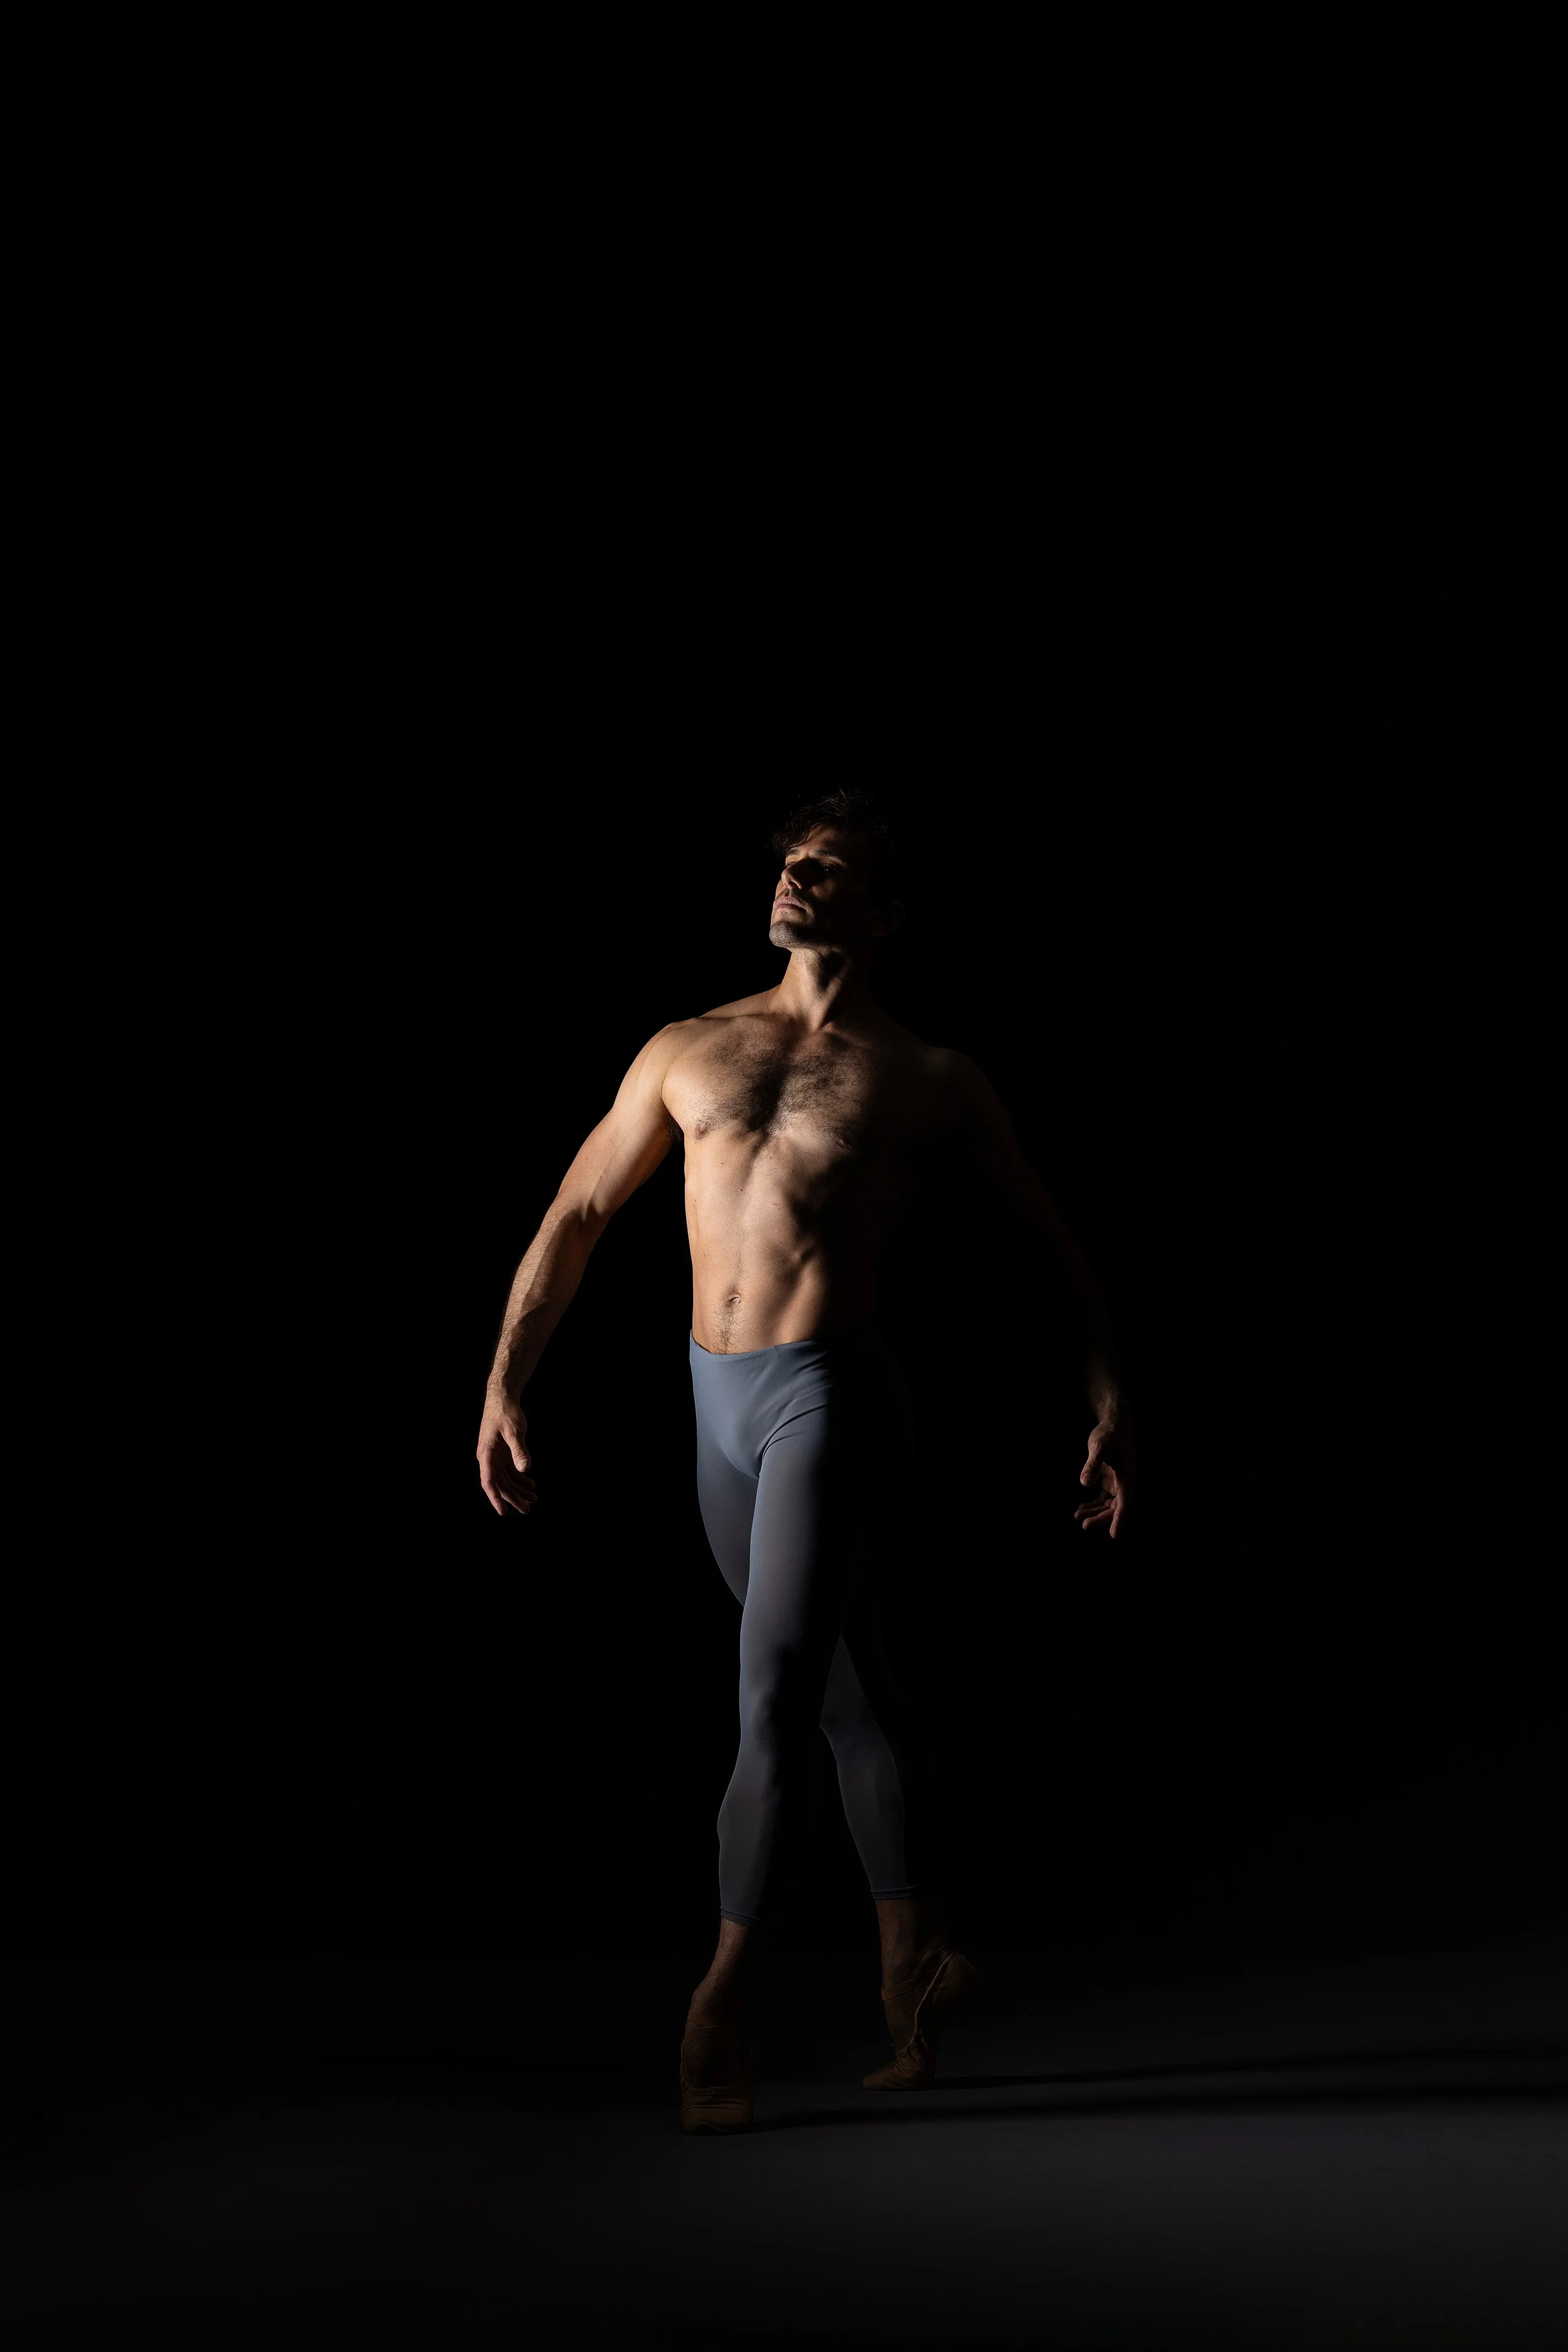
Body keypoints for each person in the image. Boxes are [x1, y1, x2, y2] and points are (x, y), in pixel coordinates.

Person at [475, 791, 1135, 2132]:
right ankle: (919, 1970)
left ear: (882, 912)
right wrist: (504, 1374)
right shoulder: (688, 1046)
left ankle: (714, 2020)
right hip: (711, 1402)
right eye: (788, 862)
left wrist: (1108, 1394)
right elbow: (579, 1208)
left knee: (767, 1698)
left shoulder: (927, 1079)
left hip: (829, 1398)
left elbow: (1045, 1244)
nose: (793, 879)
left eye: (826, 869)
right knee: (843, 1698)